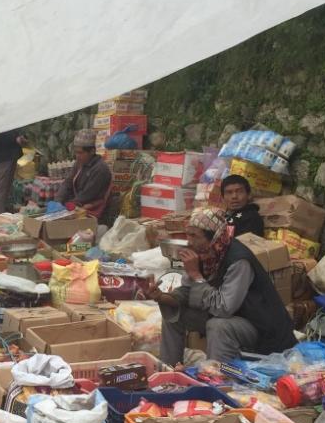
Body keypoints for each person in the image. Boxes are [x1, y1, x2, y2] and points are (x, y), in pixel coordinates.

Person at [148, 207, 295, 366]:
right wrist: (162, 297)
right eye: (188, 235)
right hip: (233, 318)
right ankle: (168, 372)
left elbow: (224, 308)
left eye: (195, 236)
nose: (189, 241)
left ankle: (215, 379)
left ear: (213, 237)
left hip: (259, 327)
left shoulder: (239, 260)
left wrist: (197, 276)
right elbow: (187, 292)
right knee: (173, 314)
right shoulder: (205, 253)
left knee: (218, 325)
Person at [57, 130, 113, 219]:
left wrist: (67, 207)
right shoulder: (79, 163)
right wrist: (58, 201)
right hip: (77, 206)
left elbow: (86, 196)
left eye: (80, 153)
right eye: (76, 152)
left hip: (92, 212)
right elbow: (67, 183)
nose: (77, 156)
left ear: (92, 151)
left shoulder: (100, 169)